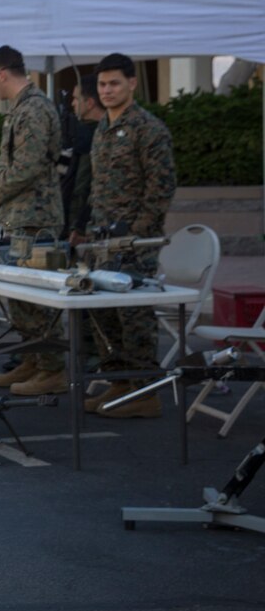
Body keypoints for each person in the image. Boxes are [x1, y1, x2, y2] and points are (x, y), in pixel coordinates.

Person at [83, 53, 177, 418]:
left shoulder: (149, 129)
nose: (107, 91)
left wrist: (138, 232)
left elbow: (162, 187)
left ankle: (145, 390)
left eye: (114, 84)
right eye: (102, 85)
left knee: (133, 314)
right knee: (103, 315)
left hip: (136, 244)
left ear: (132, 83)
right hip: (101, 241)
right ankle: (120, 382)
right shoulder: (103, 128)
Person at [0, 45, 67, 396]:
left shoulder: (33, 108)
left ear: (2, 73)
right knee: (19, 297)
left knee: (34, 298)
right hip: (21, 216)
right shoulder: (22, 108)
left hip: (35, 217)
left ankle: (53, 369)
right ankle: (35, 358)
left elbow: (28, 167)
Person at [65, 74, 103, 246]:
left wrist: (79, 226)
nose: (73, 104)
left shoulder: (95, 135)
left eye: (76, 98)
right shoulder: (82, 132)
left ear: (89, 103)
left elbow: (83, 184)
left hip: (86, 226)